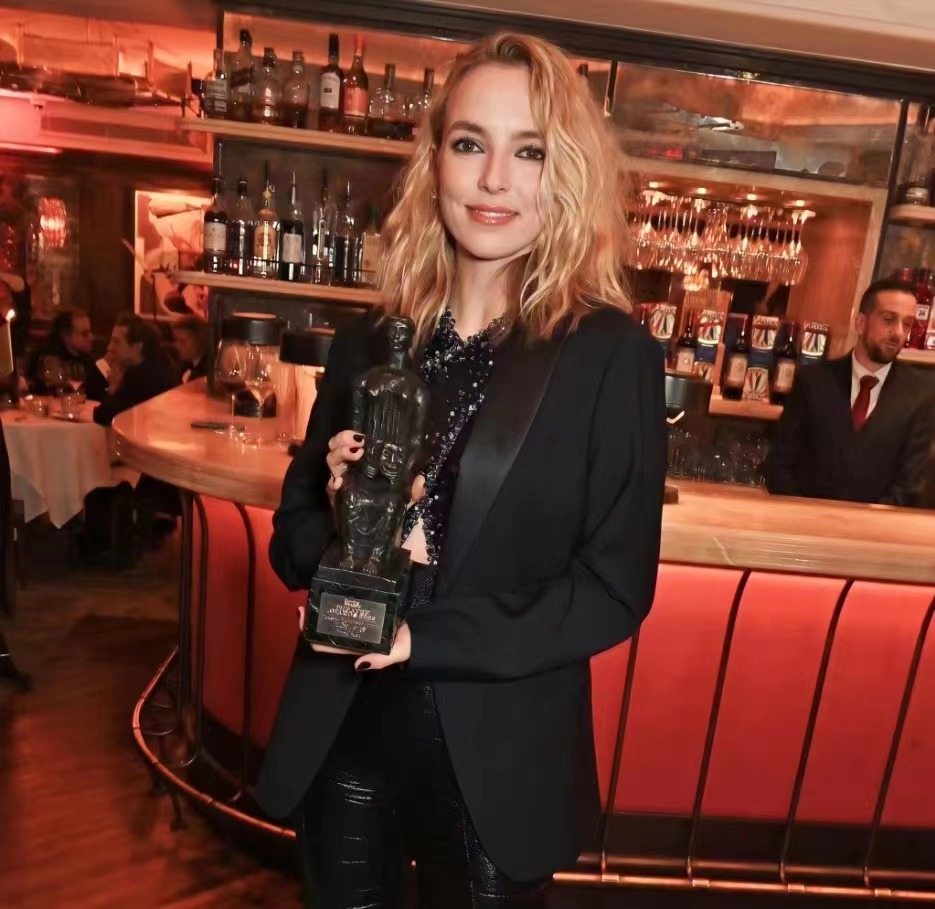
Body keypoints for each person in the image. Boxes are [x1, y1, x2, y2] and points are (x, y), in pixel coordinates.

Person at [255, 33, 667, 908]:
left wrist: (418, 638)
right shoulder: (371, 341)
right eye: (471, 143)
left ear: (565, 174)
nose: (493, 180)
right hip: (341, 734)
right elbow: (291, 540)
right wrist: (339, 522)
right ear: (434, 158)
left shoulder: (607, 356)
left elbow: (611, 588)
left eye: (529, 152)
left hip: (496, 756)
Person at [765, 277, 935, 506]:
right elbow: (780, 465)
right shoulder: (813, 380)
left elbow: (910, 486)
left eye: (907, 324)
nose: (898, 333)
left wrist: (863, 522)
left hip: (874, 527)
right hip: (803, 520)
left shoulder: (920, 394)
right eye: (888, 319)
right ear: (860, 323)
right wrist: (806, 515)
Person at [93, 314, 176, 427]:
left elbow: (102, 417)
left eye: (116, 342)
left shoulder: (140, 378)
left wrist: (114, 387)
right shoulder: (159, 364)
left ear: (137, 347)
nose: (109, 347)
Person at [27, 308, 107, 401]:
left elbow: (98, 393)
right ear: (66, 335)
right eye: (84, 334)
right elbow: (59, 393)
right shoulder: (49, 357)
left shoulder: (85, 358)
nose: (91, 337)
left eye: (90, 332)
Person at [171, 315, 209, 383]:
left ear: (200, 339)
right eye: (176, 340)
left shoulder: (208, 372)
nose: (177, 346)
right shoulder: (183, 364)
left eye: (182, 341)